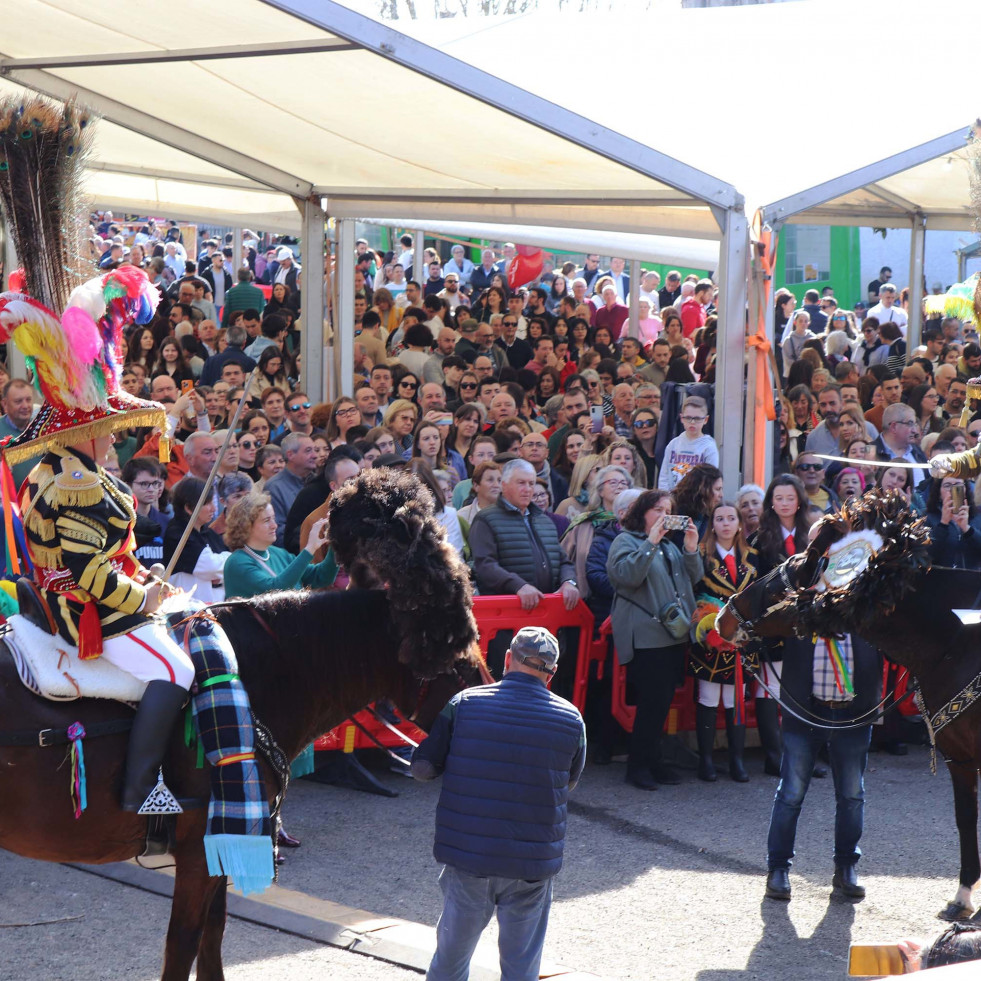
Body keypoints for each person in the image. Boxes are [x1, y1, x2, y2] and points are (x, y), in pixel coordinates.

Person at [412, 626, 585, 981]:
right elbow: (568, 782)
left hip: (470, 855)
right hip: (531, 864)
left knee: (451, 959)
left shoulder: (465, 703)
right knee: (521, 966)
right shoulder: (572, 719)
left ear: (507, 659)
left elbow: (423, 769)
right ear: (550, 674)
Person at [764, 536, 882, 903]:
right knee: (791, 794)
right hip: (804, 711)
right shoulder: (800, 597)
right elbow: (765, 625)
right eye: (829, 555)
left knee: (852, 795)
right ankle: (778, 869)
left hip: (853, 713)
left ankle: (846, 868)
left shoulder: (869, 600)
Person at [607, 489, 701, 790]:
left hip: (672, 633)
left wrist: (690, 547)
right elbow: (626, 576)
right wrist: (651, 542)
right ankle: (638, 766)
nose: (664, 515)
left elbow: (693, 578)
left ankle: (655, 761)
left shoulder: (669, 547)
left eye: (668, 509)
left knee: (662, 704)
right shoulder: (626, 541)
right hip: (646, 636)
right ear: (643, 512)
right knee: (651, 703)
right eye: (658, 509)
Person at [469, 459, 580, 676]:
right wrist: (518, 586)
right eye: (521, 483)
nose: (528, 489)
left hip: (546, 621)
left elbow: (564, 561)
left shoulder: (544, 521)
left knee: (546, 683)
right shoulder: (486, 519)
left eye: (531, 483)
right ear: (504, 484)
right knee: (509, 681)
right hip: (506, 625)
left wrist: (569, 582)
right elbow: (485, 565)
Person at [690, 502, 760, 783]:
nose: (726, 523)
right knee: (707, 697)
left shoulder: (753, 556)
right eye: (720, 519)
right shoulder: (701, 555)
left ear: (740, 524)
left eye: (732, 518)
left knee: (735, 700)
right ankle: (706, 760)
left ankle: (736, 760)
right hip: (710, 635)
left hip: (742, 636)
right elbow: (695, 590)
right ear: (713, 524)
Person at [222, 492, 336, 599]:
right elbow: (276, 590)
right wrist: (309, 549)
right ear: (246, 526)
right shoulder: (237, 562)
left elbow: (323, 576)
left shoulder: (279, 553)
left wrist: (335, 542)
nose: (274, 525)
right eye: (267, 520)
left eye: (273, 518)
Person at [162, 476, 229, 603]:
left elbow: (229, 566)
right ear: (188, 507)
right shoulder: (177, 533)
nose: (214, 509)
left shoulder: (208, 533)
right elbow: (211, 567)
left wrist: (218, 574)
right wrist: (216, 571)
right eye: (207, 503)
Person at [657, 396, 719, 490]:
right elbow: (664, 476)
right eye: (688, 418)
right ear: (681, 418)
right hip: (671, 497)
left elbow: (710, 480)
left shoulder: (709, 447)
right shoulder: (673, 444)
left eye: (697, 418)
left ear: (705, 420)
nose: (692, 422)